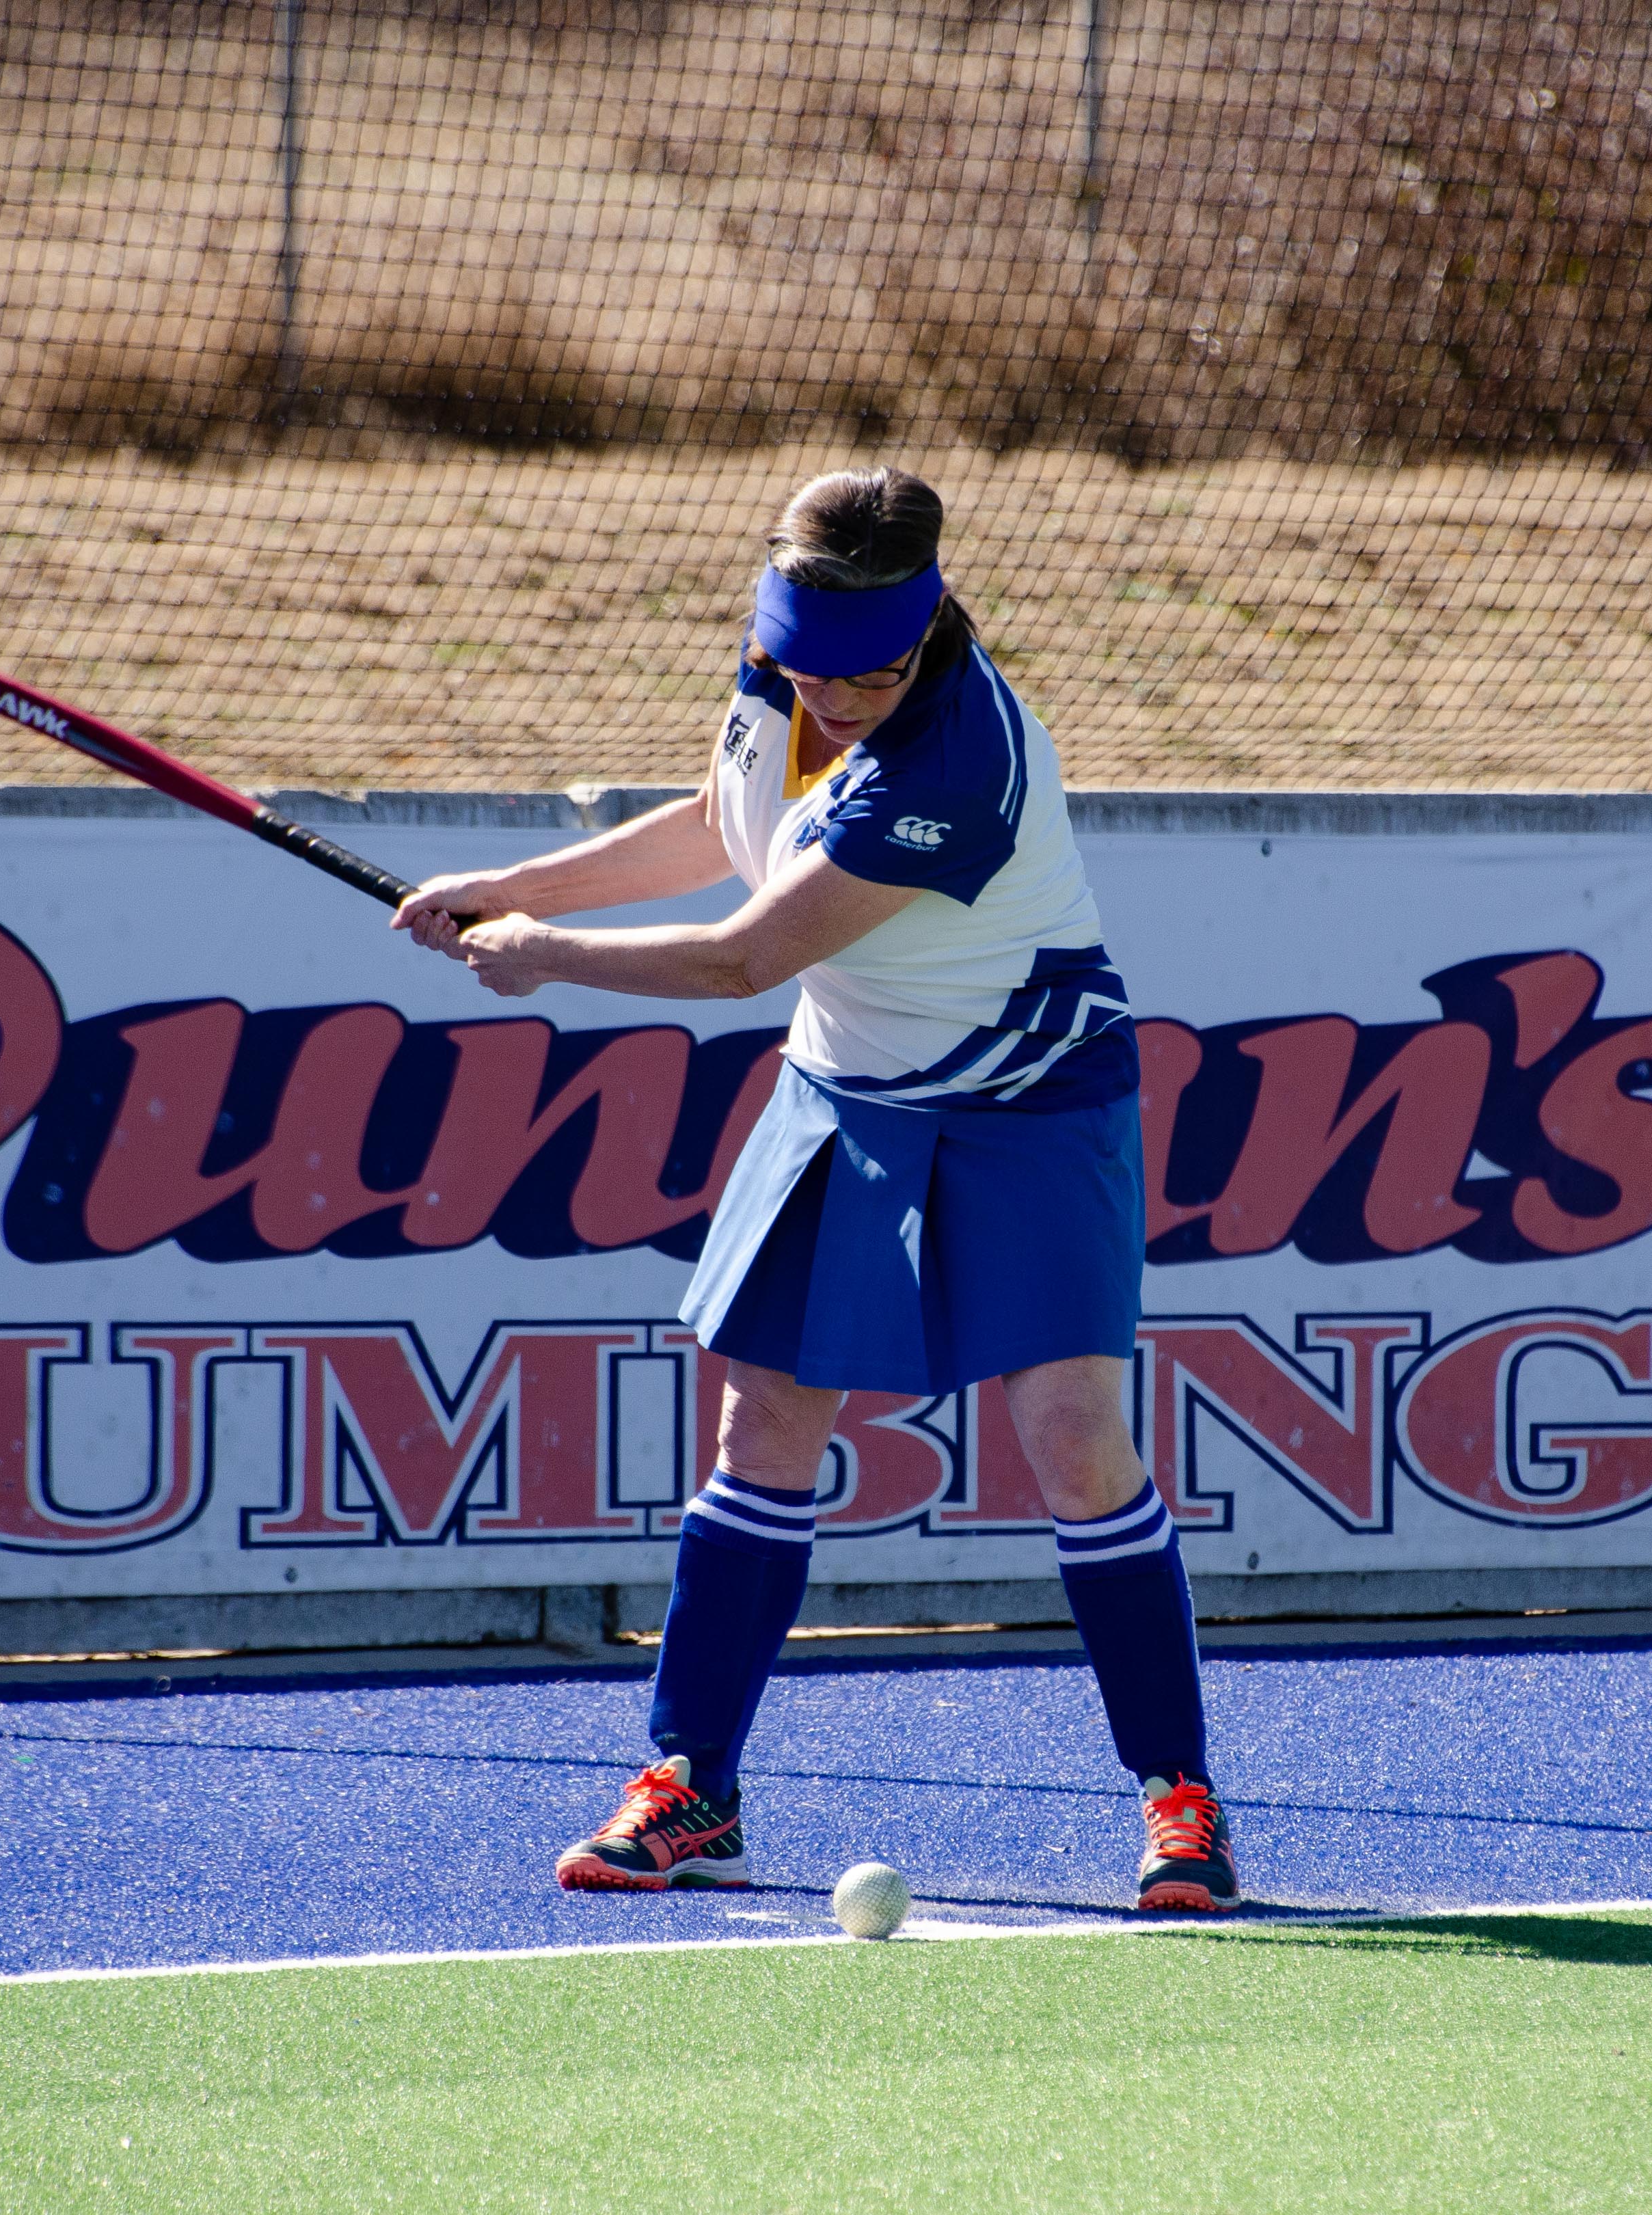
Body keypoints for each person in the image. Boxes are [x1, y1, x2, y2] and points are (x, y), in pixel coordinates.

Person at [391, 466, 1236, 1913]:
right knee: (763, 1411)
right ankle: (692, 1788)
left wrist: (544, 954)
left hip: (1030, 1096)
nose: (835, 700)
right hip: (849, 1084)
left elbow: (741, 957)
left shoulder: (951, 765)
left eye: (870, 674)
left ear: (929, 634)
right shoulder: (789, 669)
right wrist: (511, 884)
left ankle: (1179, 1800)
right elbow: (720, 820)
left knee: (1070, 1437)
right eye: (809, 669)